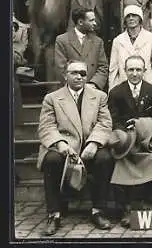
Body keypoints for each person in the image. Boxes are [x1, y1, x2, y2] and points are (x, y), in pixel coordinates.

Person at [37, 60, 114, 236]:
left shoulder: (99, 96)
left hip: (89, 145)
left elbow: (105, 123)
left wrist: (94, 143)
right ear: (65, 75)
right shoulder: (52, 98)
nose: (79, 76)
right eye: (74, 73)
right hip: (64, 146)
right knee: (51, 159)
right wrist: (60, 144)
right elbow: (46, 126)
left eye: (83, 73)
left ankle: (98, 210)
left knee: (105, 158)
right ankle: (54, 214)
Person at [107, 55, 152, 227]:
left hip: (146, 141)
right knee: (120, 164)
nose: (134, 73)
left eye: (138, 69)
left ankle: (149, 205)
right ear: (125, 71)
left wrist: (148, 138)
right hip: (126, 143)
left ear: (144, 71)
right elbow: (114, 119)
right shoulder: (116, 93)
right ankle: (126, 209)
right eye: (131, 69)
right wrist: (126, 137)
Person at [108, 5, 152, 91]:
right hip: (124, 86)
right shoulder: (118, 40)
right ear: (125, 20)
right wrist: (112, 90)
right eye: (128, 16)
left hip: (147, 85)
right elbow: (113, 69)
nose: (131, 18)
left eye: (134, 15)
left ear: (140, 18)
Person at [54, 8, 108, 90]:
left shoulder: (98, 41)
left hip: (92, 90)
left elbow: (103, 67)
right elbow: (61, 68)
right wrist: (76, 85)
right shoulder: (62, 40)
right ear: (80, 22)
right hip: (70, 90)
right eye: (91, 20)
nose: (95, 23)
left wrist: (93, 84)